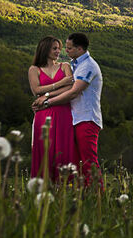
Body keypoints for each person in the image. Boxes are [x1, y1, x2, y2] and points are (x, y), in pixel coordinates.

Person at [34, 32, 102, 187]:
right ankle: (84, 197)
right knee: (78, 164)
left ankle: (99, 197)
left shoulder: (88, 66)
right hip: (74, 119)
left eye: (69, 48)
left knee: (89, 162)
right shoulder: (74, 65)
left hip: (87, 119)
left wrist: (47, 102)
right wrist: (45, 96)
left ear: (79, 49)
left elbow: (73, 91)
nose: (66, 51)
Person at [28, 36, 76, 181]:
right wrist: (59, 83)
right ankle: (43, 187)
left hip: (64, 113)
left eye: (59, 48)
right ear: (45, 49)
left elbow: (70, 87)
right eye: (54, 48)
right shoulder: (34, 69)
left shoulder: (65, 66)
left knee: (64, 150)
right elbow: (36, 90)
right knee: (44, 151)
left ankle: (65, 188)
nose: (58, 51)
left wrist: (46, 95)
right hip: (44, 115)